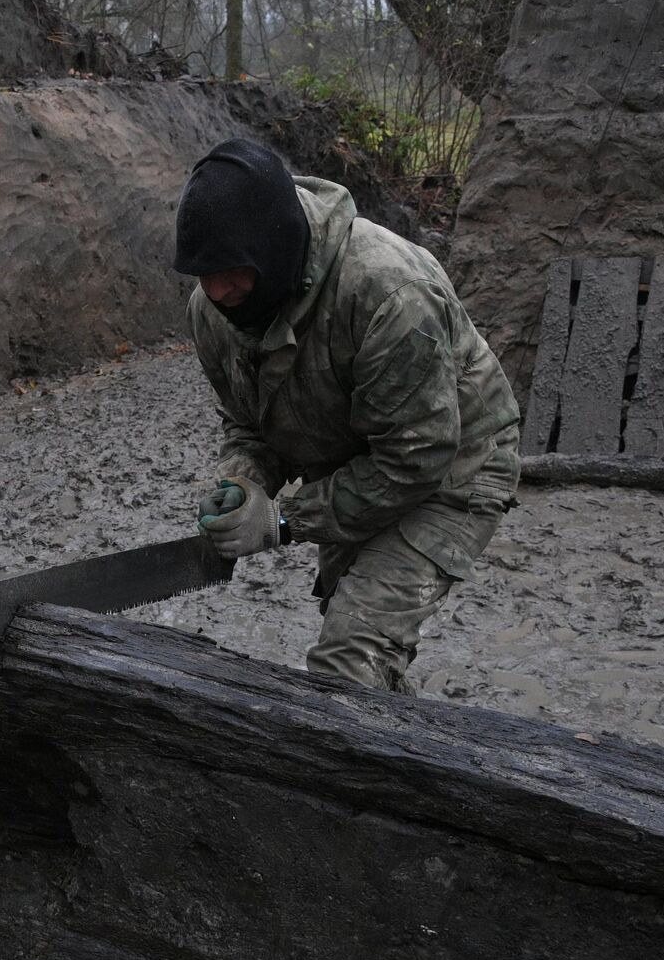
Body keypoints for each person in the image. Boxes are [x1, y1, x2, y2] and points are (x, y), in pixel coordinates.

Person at [176, 138, 520, 692]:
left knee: (348, 660)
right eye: (203, 272)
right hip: (350, 465)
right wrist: (243, 482)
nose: (218, 289)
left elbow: (415, 460)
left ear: (275, 248)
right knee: (359, 658)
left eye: (232, 269)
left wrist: (282, 522)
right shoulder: (212, 310)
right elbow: (247, 422)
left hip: (452, 467)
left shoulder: (390, 293)